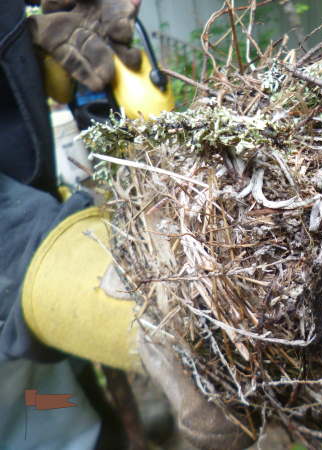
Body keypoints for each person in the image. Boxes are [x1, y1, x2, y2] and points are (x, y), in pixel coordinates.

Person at [0, 1, 252, 448]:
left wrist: (25, 56)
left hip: (48, 384)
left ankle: (120, 422)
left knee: (66, 405)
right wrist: (69, 274)